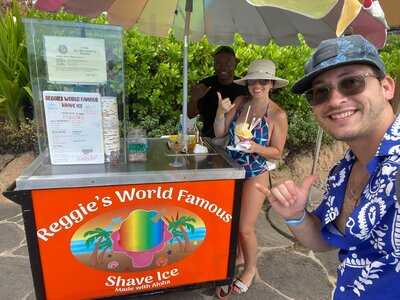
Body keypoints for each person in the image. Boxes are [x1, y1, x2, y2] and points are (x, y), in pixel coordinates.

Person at [257, 35, 398, 300]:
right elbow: (324, 241)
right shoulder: (343, 169)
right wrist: (296, 216)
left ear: (387, 86)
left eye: (351, 82)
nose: (334, 100)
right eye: (320, 92)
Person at [214, 59, 288, 295]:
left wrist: (255, 146)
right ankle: (236, 256)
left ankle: (250, 268)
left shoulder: (277, 114)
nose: (257, 85)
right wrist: (220, 112)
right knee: (231, 221)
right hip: (232, 169)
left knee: (245, 226)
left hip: (256, 173)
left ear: (271, 84)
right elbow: (220, 131)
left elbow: (277, 153)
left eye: (263, 81)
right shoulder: (240, 102)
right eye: (253, 81)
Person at [188, 46, 248, 138]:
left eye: (228, 63)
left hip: (237, 142)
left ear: (235, 64)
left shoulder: (244, 87)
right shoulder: (205, 85)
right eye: (218, 63)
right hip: (209, 140)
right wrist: (194, 99)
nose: (223, 67)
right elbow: (190, 114)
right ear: (213, 64)